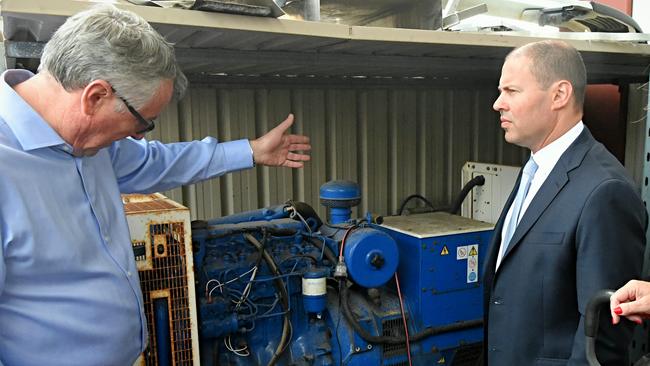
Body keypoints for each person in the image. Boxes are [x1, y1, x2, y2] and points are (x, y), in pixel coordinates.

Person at [0, 4, 310, 366]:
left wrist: (251, 151)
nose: (137, 135)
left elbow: (157, 162)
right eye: (143, 123)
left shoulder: (89, 145)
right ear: (96, 96)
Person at [482, 39, 647, 365]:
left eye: (512, 91)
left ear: (559, 95)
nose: (498, 104)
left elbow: (601, 339)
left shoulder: (605, 192)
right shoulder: (536, 170)